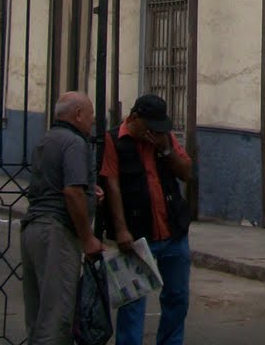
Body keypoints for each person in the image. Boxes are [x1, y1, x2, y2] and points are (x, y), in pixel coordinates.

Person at [99, 94, 193, 345]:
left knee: (178, 297)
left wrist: (165, 149)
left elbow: (186, 172)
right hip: (138, 234)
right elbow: (112, 185)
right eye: (150, 126)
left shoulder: (164, 139)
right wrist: (120, 230)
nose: (153, 132)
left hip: (172, 231)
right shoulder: (114, 141)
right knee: (133, 303)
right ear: (135, 118)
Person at [23, 91, 102, 345]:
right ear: (78, 115)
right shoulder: (74, 143)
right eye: (90, 117)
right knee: (57, 318)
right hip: (56, 232)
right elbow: (71, 192)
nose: (92, 123)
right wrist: (87, 238)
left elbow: (57, 184)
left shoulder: (47, 140)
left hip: (34, 228)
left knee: (38, 315)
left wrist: (90, 192)